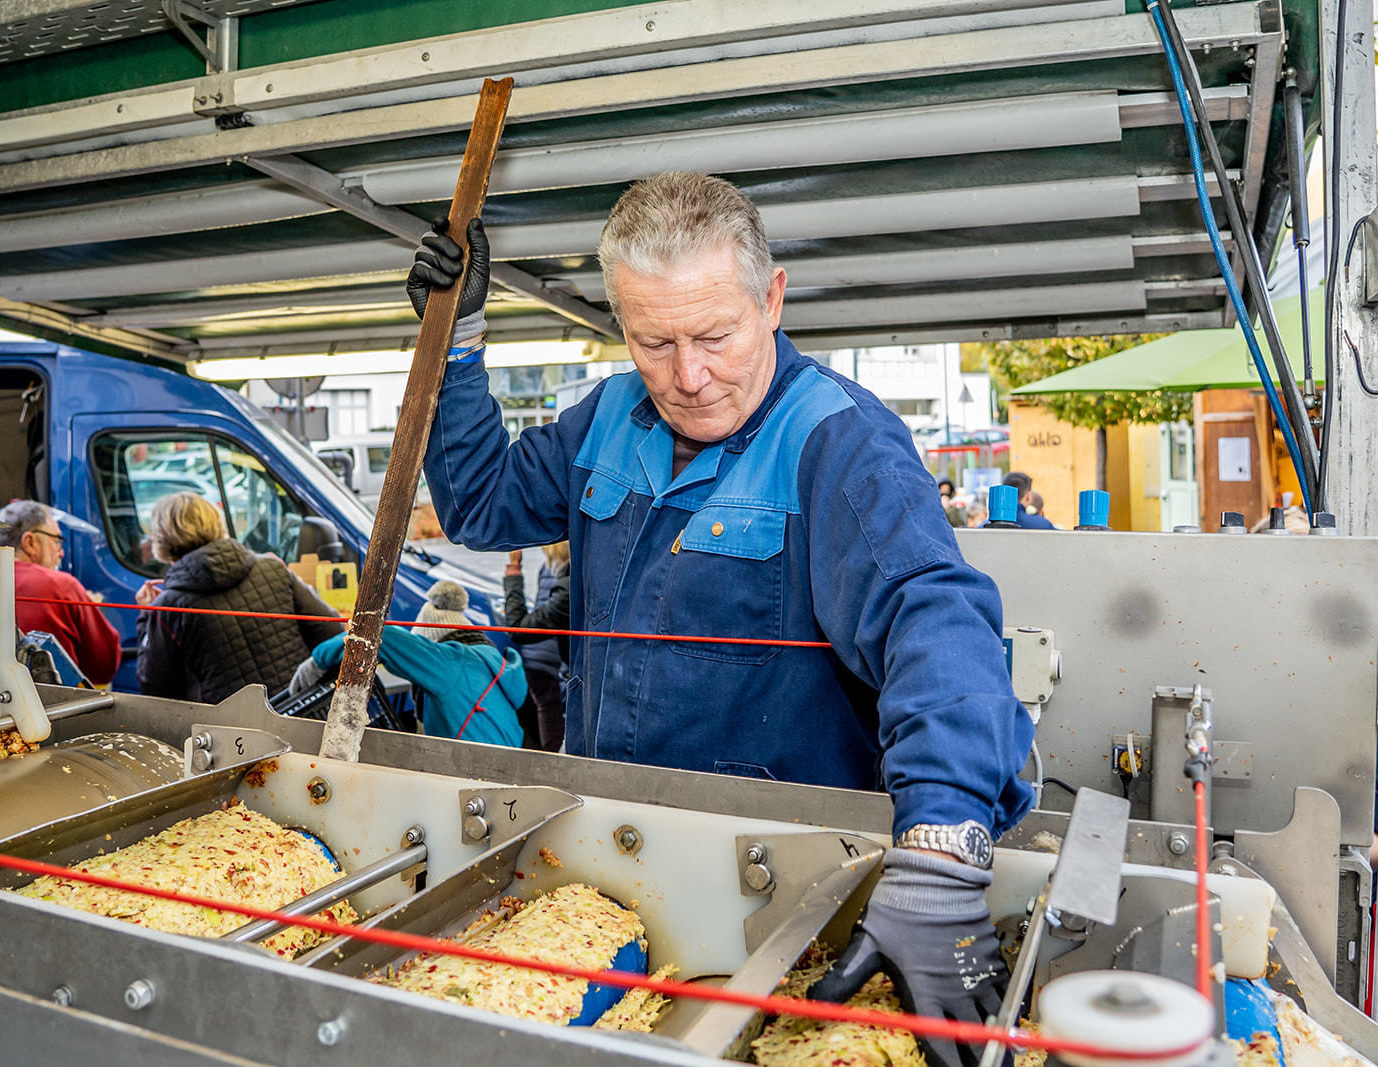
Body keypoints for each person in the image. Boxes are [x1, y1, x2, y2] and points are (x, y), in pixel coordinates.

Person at [409, 172, 1032, 1061]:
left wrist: (939, 849)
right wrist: (455, 340)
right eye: (653, 341)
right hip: (610, 870)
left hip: (780, 899)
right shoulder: (607, 421)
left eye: (713, 335)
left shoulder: (837, 442)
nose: (688, 377)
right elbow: (478, 503)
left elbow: (936, 619)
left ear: (772, 299)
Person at [135, 492, 342, 703]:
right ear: (217, 523)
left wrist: (146, 616)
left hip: (229, 732)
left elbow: (155, 690)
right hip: (302, 712)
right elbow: (332, 630)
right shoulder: (272, 568)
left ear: (162, 540)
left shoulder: (166, 607)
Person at [293, 580, 524, 746]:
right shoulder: (487, 658)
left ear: (431, 642)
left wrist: (317, 661)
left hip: (474, 773)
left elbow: (384, 637)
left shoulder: (449, 663)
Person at [0, 499, 122, 686]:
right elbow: (103, 667)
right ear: (29, 542)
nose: (61, 553)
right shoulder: (62, 586)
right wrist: (91, 608)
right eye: (56, 540)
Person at [503, 542, 572, 751]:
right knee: (555, 736)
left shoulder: (550, 568)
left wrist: (514, 568)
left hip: (538, 660)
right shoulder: (574, 577)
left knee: (550, 731)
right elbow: (522, 627)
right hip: (551, 662)